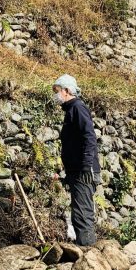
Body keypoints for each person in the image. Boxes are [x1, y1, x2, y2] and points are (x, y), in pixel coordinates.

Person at [53, 74, 101, 246]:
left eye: (56, 91)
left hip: (84, 171)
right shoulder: (71, 110)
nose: (55, 95)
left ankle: (89, 258)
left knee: (82, 215)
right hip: (78, 171)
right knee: (79, 213)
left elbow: (89, 137)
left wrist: (86, 166)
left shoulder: (78, 108)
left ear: (66, 91)